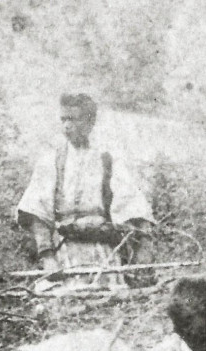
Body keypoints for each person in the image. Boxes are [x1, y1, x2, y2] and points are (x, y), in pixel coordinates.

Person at [16, 93, 155, 292]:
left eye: (73, 119)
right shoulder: (52, 161)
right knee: (66, 299)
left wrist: (143, 250)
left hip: (104, 251)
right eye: (63, 119)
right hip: (65, 250)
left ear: (90, 122)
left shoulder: (108, 160)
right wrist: (47, 258)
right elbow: (37, 212)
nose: (66, 125)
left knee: (110, 299)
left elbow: (134, 208)